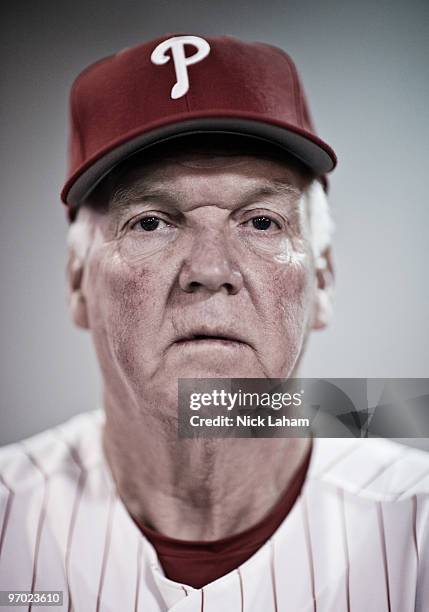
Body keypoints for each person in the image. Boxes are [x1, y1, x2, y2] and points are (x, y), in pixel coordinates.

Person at [0, 34, 428, 612]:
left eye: (261, 222)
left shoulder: (417, 521)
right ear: (78, 283)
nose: (209, 269)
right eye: (150, 223)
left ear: (321, 280)